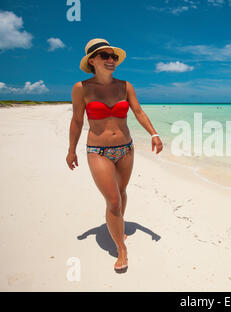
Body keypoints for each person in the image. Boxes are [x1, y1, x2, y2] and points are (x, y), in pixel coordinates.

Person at [66, 38, 163, 273]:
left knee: (121, 192)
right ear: (92, 61)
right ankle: (121, 248)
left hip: (126, 148)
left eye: (113, 56)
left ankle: (117, 225)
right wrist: (71, 150)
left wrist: (154, 133)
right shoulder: (81, 88)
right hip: (98, 151)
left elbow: (138, 112)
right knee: (113, 200)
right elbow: (78, 120)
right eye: (105, 56)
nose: (111, 60)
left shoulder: (125, 86)